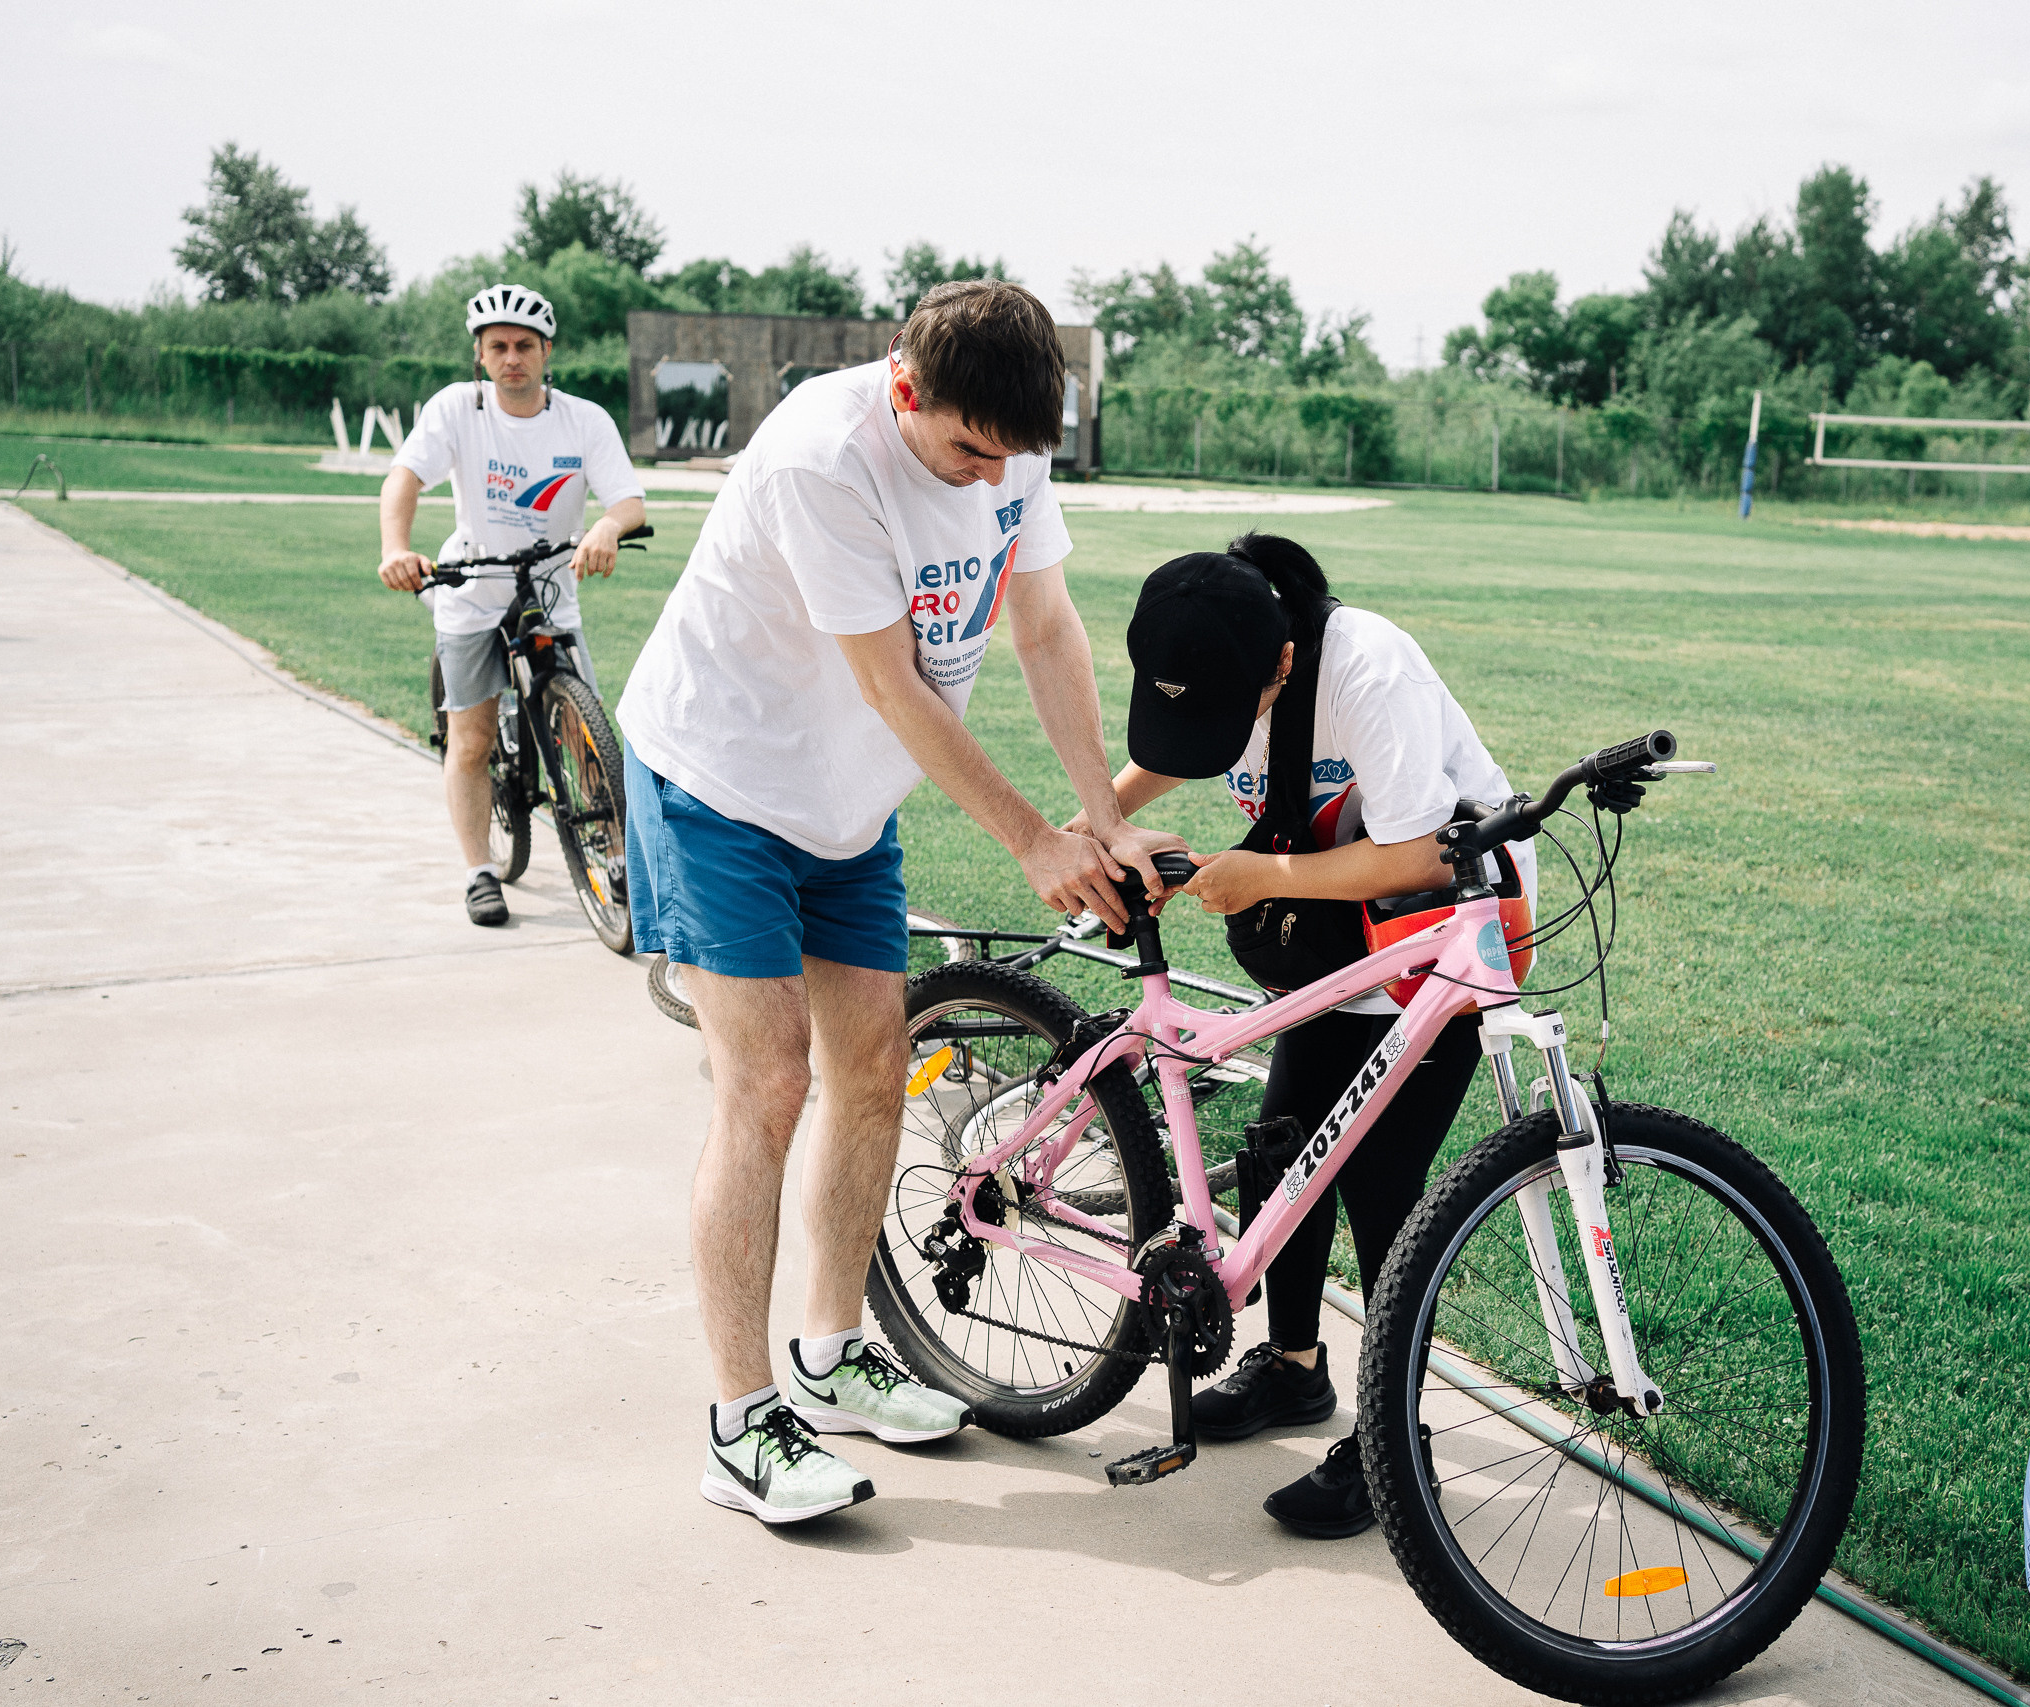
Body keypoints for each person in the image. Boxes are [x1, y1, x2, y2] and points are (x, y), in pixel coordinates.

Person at [616, 281, 1185, 1525]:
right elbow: (893, 687)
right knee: (767, 1085)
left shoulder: (1008, 450)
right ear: (904, 384)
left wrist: (1101, 812)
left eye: (1013, 460)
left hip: (846, 800)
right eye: (970, 453)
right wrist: (1031, 838)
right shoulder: (826, 459)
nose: (991, 484)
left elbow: (1045, 628)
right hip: (722, 777)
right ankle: (739, 1421)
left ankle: (832, 1353)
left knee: (874, 1071)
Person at [1080, 532, 1535, 1539]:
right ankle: (1292, 1373)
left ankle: (1392, 1442)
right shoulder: (1230, 663)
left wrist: (1266, 878)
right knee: (1284, 1148)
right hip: (1338, 935)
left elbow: (1419, 852)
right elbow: (1162, 757)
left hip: (1441, 933)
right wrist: (1086, 827)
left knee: (1378, 1188)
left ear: (1281, 662)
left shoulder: (1367, 668)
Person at [376, 284, 646, 927]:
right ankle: (478, 870)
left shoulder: (582, 419)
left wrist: (607, 528)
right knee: (469, 741)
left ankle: (613, 858)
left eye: (525, 345)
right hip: (471, 585)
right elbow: (404, 478)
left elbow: (629, 503)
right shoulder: (457, 409)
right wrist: (395, 546)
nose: (512, 357)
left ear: (547, 351)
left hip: (551, 586)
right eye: (497, 346)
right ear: (480, 354)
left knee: (585, 738)